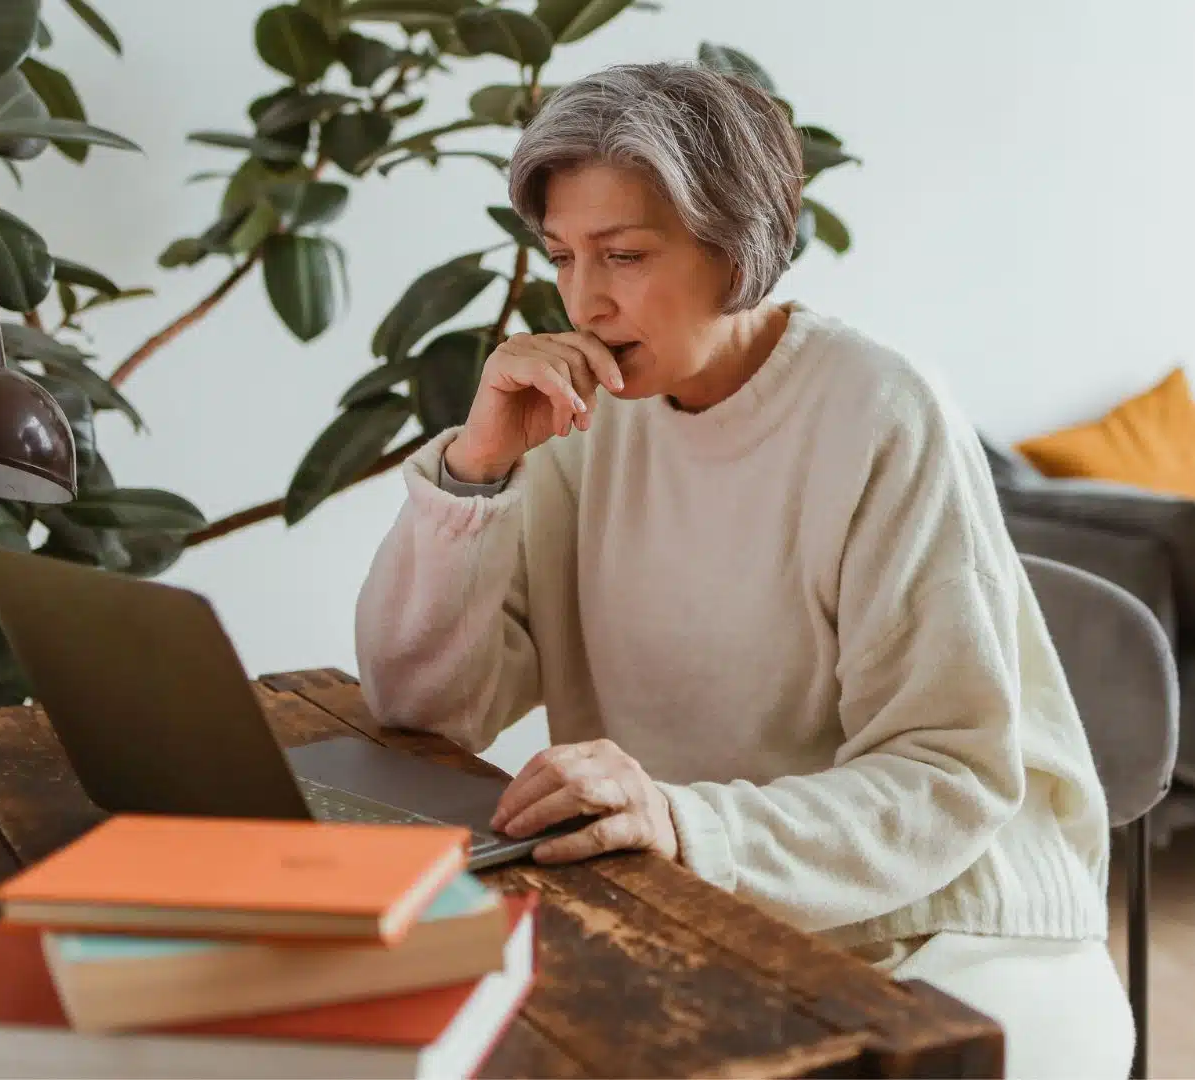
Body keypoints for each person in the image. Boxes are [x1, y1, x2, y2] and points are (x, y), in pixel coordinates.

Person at [353, 60, 1134, 1078]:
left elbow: (948, 776)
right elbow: (423, 709)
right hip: (690, 891)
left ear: (737, 248)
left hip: (949, 924)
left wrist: (688, 823)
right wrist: (476, 472)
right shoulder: (579, 418)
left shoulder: (878, 413)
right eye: (561, 257)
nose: (585, 301)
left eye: (624, 255)